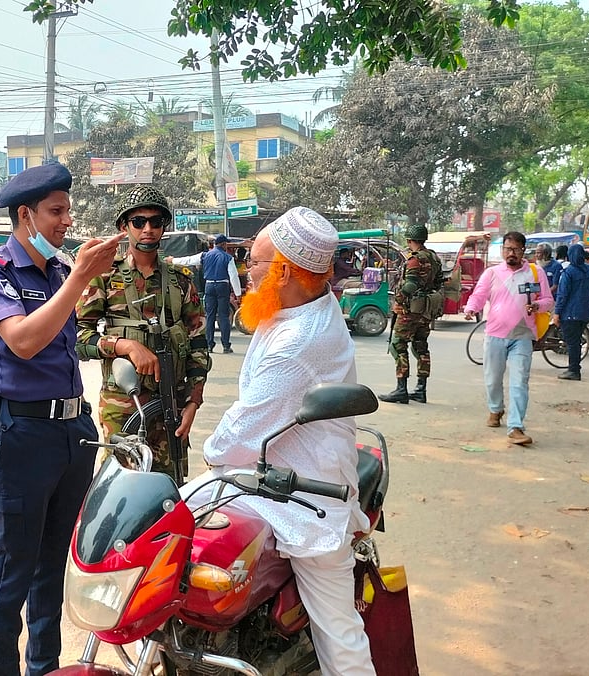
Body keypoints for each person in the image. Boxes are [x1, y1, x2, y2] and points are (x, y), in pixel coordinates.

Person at [185, 206, 374, 675]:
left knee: (339, 634)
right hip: (266, 473)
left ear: (285, 272)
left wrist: (211, 454)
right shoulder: (298, 304)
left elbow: (237, 438)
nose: (246, 270)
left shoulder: (299, 342)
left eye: (254, 261)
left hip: (303, 492)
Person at [0, 163, 124, 676]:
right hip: (21, 434)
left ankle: (44, 667)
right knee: (14, 567)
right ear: (25, 215)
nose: (66, 221)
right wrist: (80, 277)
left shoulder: (58, 273)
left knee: (53, 562)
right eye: (56, 211)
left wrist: (78, 277)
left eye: (67, 210)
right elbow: (23, 340)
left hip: (72, 433)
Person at [76, 185, 210, 480]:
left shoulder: (180, 281)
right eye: (138, 222)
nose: (147, 229)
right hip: (122, 407)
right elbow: (79, 338)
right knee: (123, 487)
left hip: (171, 404)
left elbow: (198, 344)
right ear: (124, 227)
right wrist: (124, 345)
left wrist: (193, 402)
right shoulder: (104, 277)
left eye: (155, 222)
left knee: (168, 486)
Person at [463, 232, 554, 446]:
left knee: (519, 381)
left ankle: (516, 426)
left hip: (523, 336)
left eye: (515, 249)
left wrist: (537, 306)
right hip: (495, 335)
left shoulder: (535, 272)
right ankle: (496, 409)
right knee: (493, 379)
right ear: (502, 250)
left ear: (523, 250)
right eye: (507, 249)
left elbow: (548, 300)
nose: (511, 253)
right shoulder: (492, 273)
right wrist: (471, 309)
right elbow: (479, 295)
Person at [379, 223, 441, 405]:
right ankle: (421, 390)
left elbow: (411, 284)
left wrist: (398, 300)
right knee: (421, 346)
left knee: (398, 345)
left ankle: (401, 389)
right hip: (426, 310)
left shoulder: (415, 260)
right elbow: (439, 282)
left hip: (410, 310)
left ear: (409, 240)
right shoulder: (434, 258)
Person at [169, 234, 242, 353]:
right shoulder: (228, 258)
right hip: (222, 286)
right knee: (223, 316)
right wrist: (238, 293)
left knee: (209, 316)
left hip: (209, 286)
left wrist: (172, 260)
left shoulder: (205, 255)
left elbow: (188, 260)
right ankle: (226, 346)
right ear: (223, 244)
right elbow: (233, 276)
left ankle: (209, 345)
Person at [552, 244, 589, 381]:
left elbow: (562, 294)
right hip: (586, 312)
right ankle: (574, 368)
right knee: (576, 341)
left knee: (572, 342)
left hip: (571, 313)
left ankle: (573, 370)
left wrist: (557, 313)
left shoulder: (569, 272)